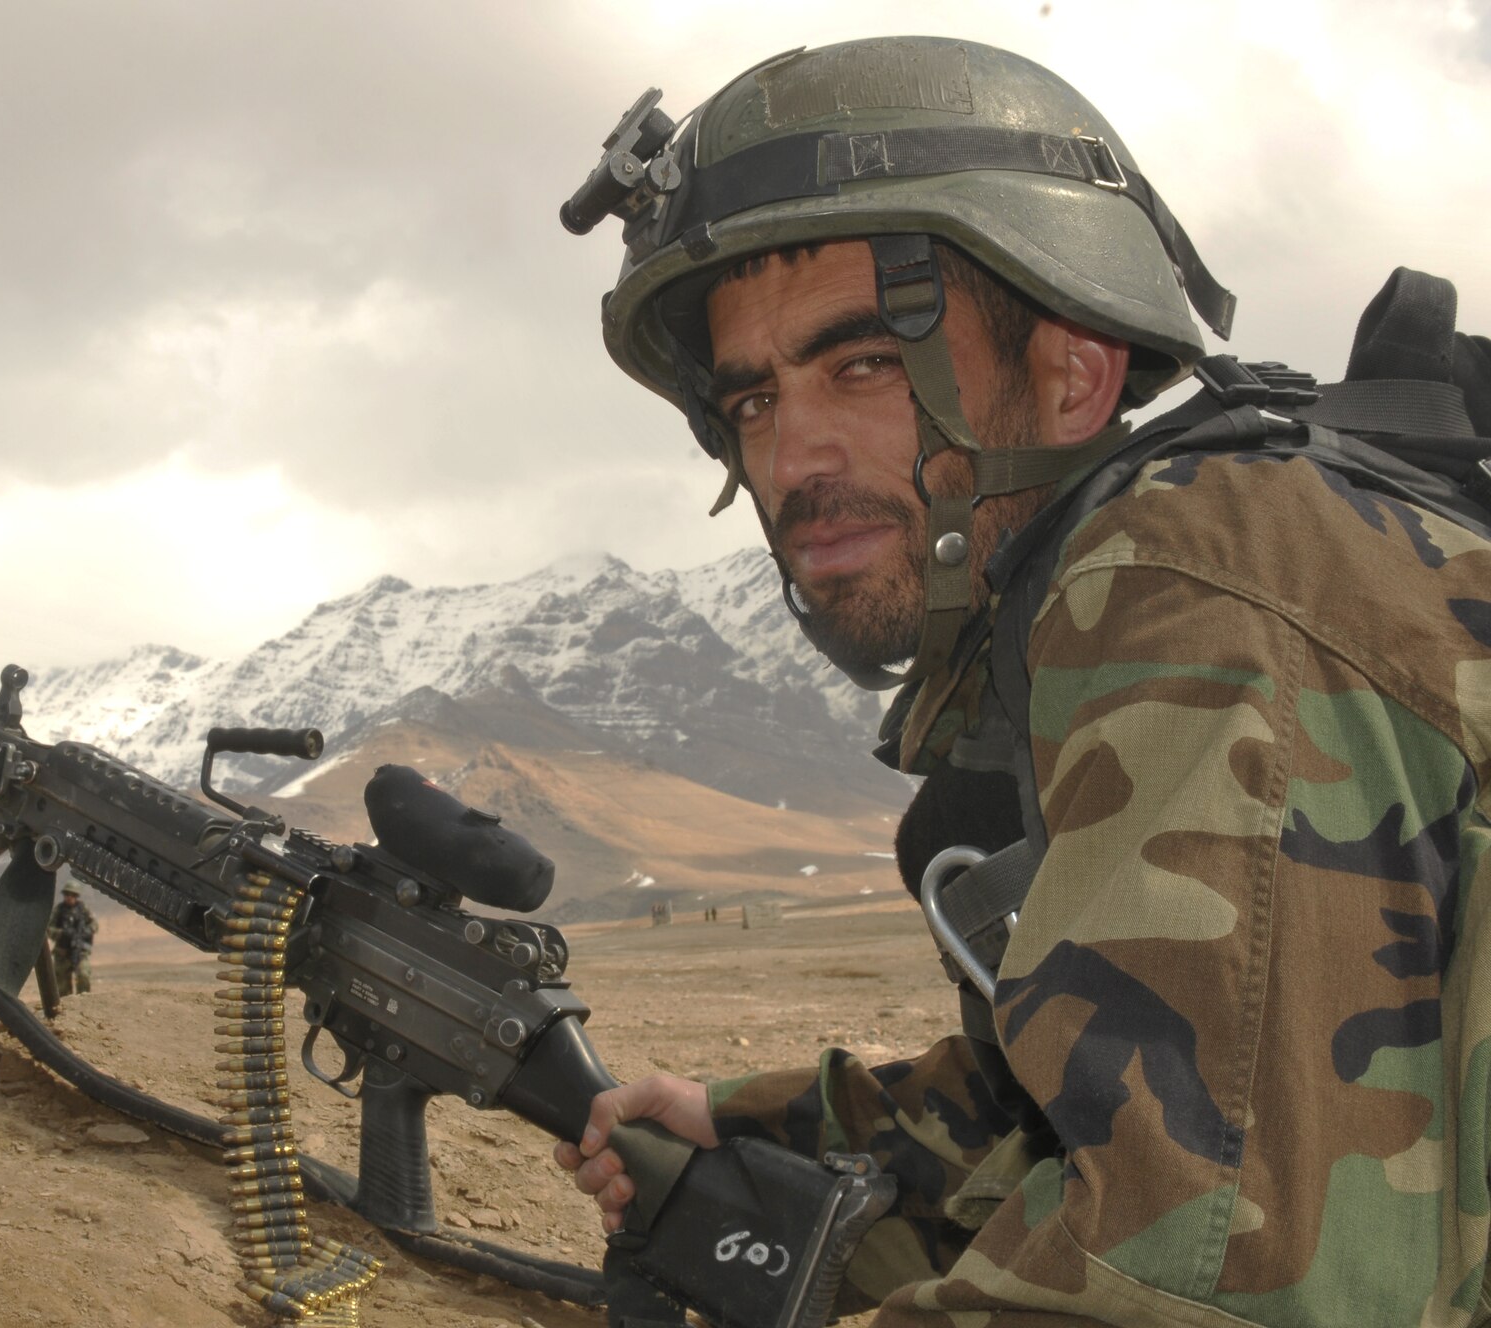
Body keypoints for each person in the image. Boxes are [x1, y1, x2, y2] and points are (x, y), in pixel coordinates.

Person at [550, 36, 1491, 1326]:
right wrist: (754, 1123)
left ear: (1070, 374)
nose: (794, 454)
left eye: (863, 365)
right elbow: (1083, 1091)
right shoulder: (1074, 604)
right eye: (753, 402)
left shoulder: (1189, 577)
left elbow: (1196, 1275)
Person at [48, 883, 97, 998]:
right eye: (67, 894)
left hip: (80, 952)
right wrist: (61, 933)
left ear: (76, 896)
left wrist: (86, 931)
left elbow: (94, 925)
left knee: (83, 975)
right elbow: (49, 928)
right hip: (62, 952)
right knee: (62, 986)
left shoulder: (83, 910)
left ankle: (84, 1000)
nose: (69, 897)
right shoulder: (58, 910)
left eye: (72, 895)